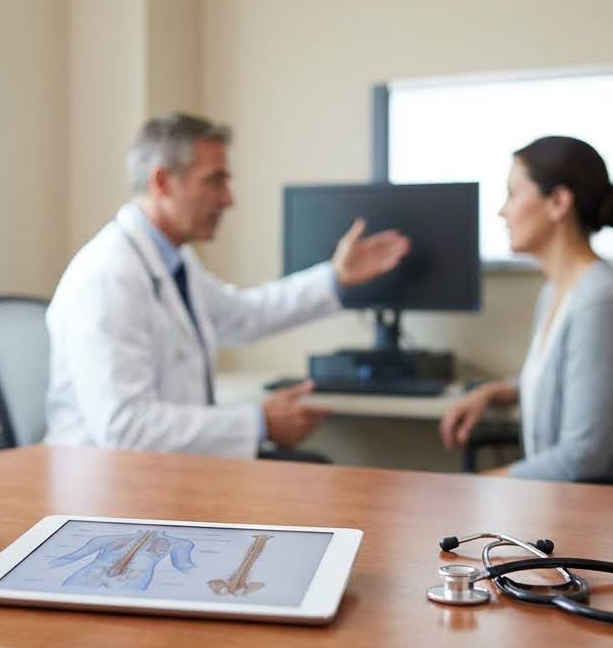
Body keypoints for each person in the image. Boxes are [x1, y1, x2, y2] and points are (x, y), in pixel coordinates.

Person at [45, 112, 410, 459]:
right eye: (215, 180)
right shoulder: (108, 277)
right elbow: (124, 429)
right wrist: (259, 423)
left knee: (311, 470)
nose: (228, 199)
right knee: (309, 475)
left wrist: (336, 277)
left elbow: (244, 316)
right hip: (105, 485)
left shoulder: (175, 262)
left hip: (167, 470)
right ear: (162, 182)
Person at [440, 136, 613, 480]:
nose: (502, 211)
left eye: (513, 193)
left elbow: (581, 459)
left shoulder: (601, 303)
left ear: (558, 202)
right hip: (575, 505)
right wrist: (494, 392)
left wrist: (475, 488)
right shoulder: (555, 291)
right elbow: (570, 380)